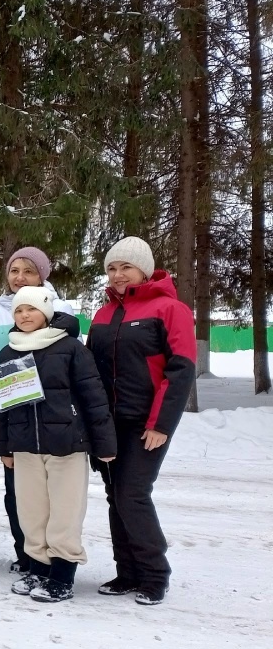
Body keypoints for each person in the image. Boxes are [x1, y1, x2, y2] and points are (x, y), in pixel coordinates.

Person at [87, 237, 196, 606]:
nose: (117, 275)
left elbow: (180, 371)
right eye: (112, 268)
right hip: (107, 424)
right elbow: (91, 373)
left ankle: (154, 575)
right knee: (114, 496)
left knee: (132, 495)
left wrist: (160, 424)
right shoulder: (103, 314)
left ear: (144, 270)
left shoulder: (170, 309)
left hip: (144, 424)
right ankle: (127, 572)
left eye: (126, 267)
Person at [0, 287, 117, 602]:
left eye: (31, 310)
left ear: (46, 313)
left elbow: (94, 397)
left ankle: (62, 575)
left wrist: (104, 443)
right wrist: (6, 447)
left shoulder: (70, 349)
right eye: (19, 310)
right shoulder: (9, 351)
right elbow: (4, 406)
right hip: (25, 447)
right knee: (32, 512)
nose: (24, 316)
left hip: (67, 444)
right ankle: (38, 567)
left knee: (65, 512)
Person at [0, 246, 77, 573]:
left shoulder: (60, 308)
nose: (19, 277)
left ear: (42, 275)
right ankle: (28, 556)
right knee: (18, 493)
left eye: (28, 271)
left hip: (53, 414)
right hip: (14, 408)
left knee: (54, 496)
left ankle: (54, 558)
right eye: (14, 271)